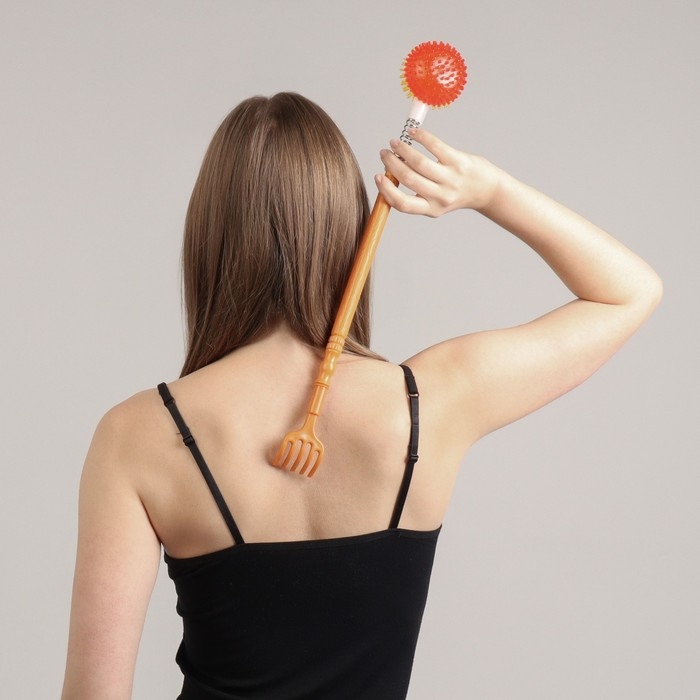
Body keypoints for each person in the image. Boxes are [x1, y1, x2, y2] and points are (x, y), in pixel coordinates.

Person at [61, 92, 662, 700]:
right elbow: (629, 292)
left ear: (208, 237)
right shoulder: (430, 402)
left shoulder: (137, 434)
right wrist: (490, 191)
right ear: (343, 232)